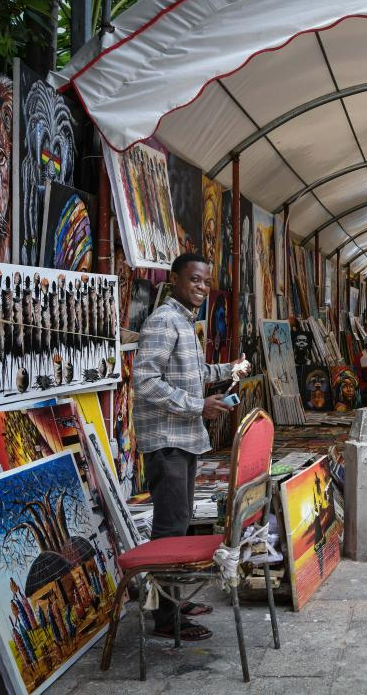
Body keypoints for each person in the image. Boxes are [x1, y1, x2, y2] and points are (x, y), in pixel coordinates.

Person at [133, 252, 249, 641]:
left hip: (181, 440)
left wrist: (230, 369)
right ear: (176, 279)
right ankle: (165, 618)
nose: (201, 287)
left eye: (205, 281)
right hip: (167, 441)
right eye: (194, 280)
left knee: (180, 524)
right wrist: (198, 405)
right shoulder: (165, 322)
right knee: (169, 528)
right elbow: (145, 381)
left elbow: (194, 374)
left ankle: (173, 601)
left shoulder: (184, 323)